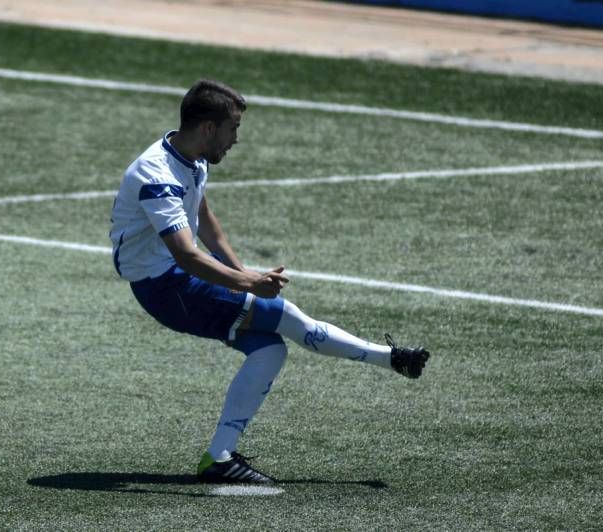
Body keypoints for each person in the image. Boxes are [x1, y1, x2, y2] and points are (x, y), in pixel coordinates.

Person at [109, 79, 430, 484]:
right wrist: (247, 284)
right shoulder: (156, 175)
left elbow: (205, 221)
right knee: (284, 314)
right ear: (209, 128)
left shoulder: (191, 158)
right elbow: (187, 256)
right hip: (166, 285)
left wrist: (245, 275)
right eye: (233, 129)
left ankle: (219, 458)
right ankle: (390, 358)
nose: (236, 139)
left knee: (269, 352)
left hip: (175, 278)